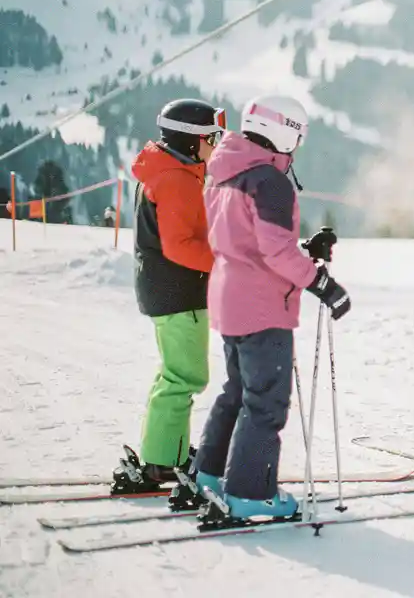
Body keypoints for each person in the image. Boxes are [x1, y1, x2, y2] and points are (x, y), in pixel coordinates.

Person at [190, 94, 351, 522]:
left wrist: (303, 250)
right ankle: (249, 492)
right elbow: (275, 252)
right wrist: (321, 283)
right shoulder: (269, 181)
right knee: (265, 403)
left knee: (238, 391)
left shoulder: (225, 172)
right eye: (298, 138)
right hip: (261, 307)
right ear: (286, 133)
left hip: (229, 298)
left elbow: (248, 240)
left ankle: (208, 473)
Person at [112, 98, 225, 495]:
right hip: (179, 289)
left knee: (175, 374)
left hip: (168, 287)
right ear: (192, 140)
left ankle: (165, 451)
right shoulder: (176, 179)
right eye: (213, 136)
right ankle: (163, 462)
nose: (217, 143)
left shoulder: (170, 172)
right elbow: (180, 246)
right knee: (185, 376)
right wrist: (226, 261)